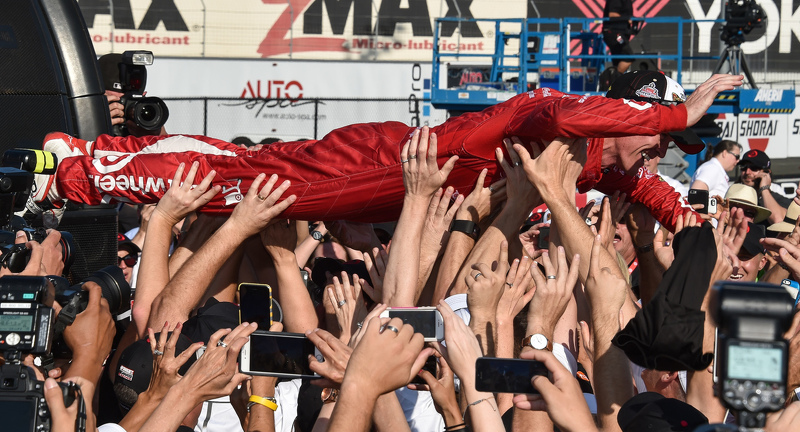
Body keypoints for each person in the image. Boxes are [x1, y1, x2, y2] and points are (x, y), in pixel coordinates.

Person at [27, 71, 742, 231]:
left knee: (250, 175)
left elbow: (649, 193)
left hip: (391, 182)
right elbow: (556, 107)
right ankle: (78, 174)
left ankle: (93, 154)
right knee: (250, 192)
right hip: (385, 162)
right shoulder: (553, 119)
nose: (660, 151)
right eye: (657, 135)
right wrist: (680, 108)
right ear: (621, 120)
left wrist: (689, 223)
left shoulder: (601, 165)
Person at [736, 149, 789, 225]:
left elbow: (778, 221)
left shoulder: (779, 200)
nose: (747, 172)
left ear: (767, 173)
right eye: (743, 167)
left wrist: (764, 188)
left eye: (754, 168)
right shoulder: (734, 197)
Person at [601, 0, 636, 85]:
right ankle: (614, 80)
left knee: (618, 59)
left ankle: (612, 83)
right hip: (613, 33)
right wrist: (628, 19)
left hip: (619, 33)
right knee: (628, 56)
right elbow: (612, 14)